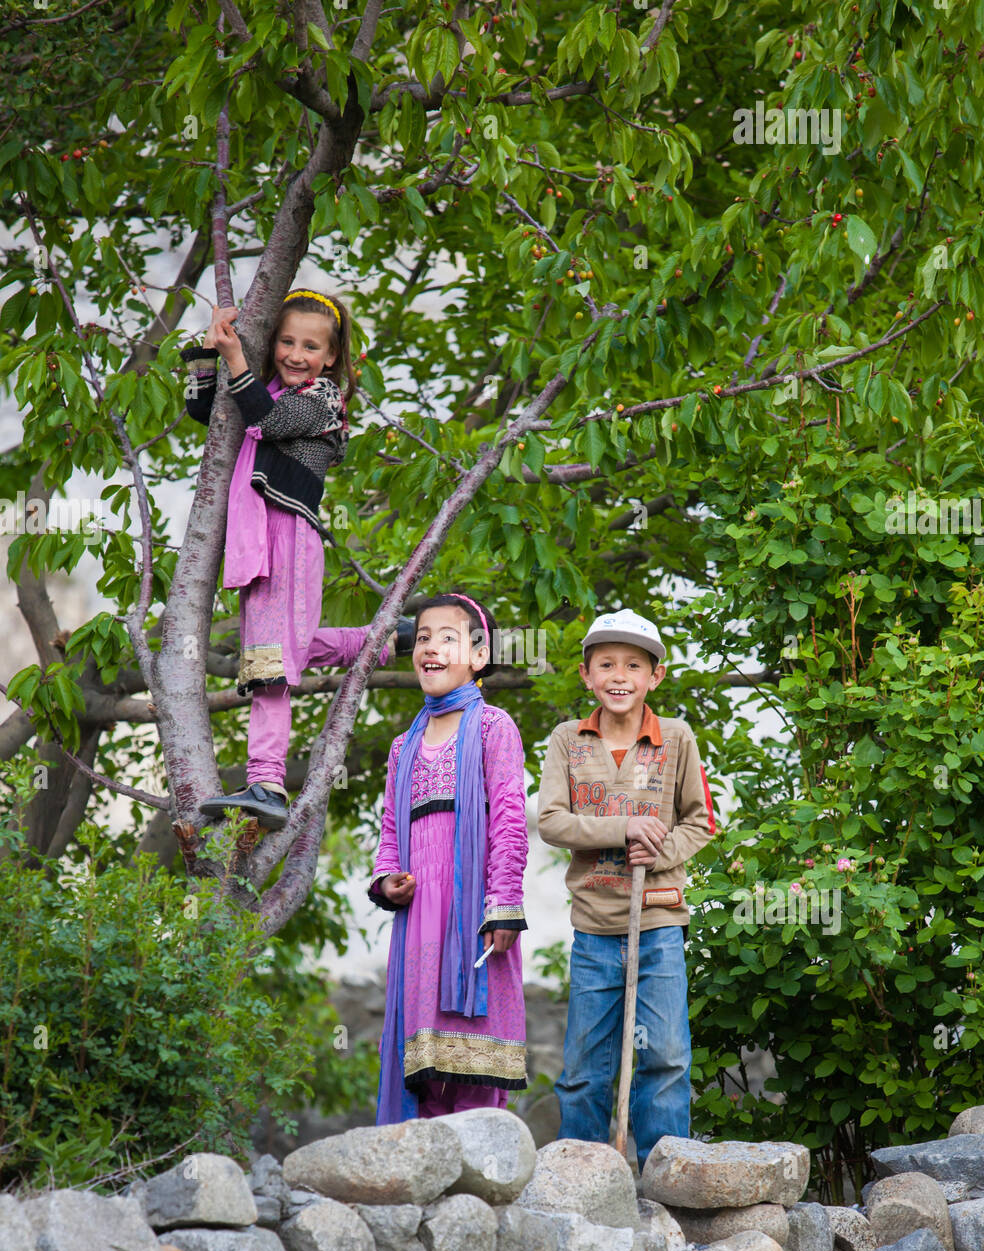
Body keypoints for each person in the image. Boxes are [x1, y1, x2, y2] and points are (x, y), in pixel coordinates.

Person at [179, 289, 413, 830]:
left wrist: (237, 361)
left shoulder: (324, 398)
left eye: (310, 346)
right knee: (290, 649)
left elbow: (272, 423)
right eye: (286, 341)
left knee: (268, 668)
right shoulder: (262, 390)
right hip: (259, 542)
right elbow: (204, 411)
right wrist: (208, 348)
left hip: (285, 538)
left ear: (330, 357)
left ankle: (267, 783)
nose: (295, 354)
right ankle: (391, 639)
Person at [536, 609, 716, 1173]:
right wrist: (623, 828)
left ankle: (669, 1183)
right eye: (606, 664)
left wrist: (658, 851)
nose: (620, 675)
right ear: (586, 674)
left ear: (654, 677)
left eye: (633, 665)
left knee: (663, 1057)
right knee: (585, 1066)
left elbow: (701, 821)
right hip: (594, 931)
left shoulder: (677, 739)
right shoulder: (569, 741)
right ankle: (583, 1180)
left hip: (658, 924)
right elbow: (551, 821)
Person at [369, 593, 529, 1122]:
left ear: (478, 657)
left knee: (474, 1056)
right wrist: (387, 880)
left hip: (473, 916)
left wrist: (502, 906)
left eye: (447, 637)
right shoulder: (402, 747)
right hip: (420, 923)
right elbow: (391, 830)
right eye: (422, 638)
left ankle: (482, 1188)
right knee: (427, 1064)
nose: (429, 648)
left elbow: (509, 819)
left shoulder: (492, 728)